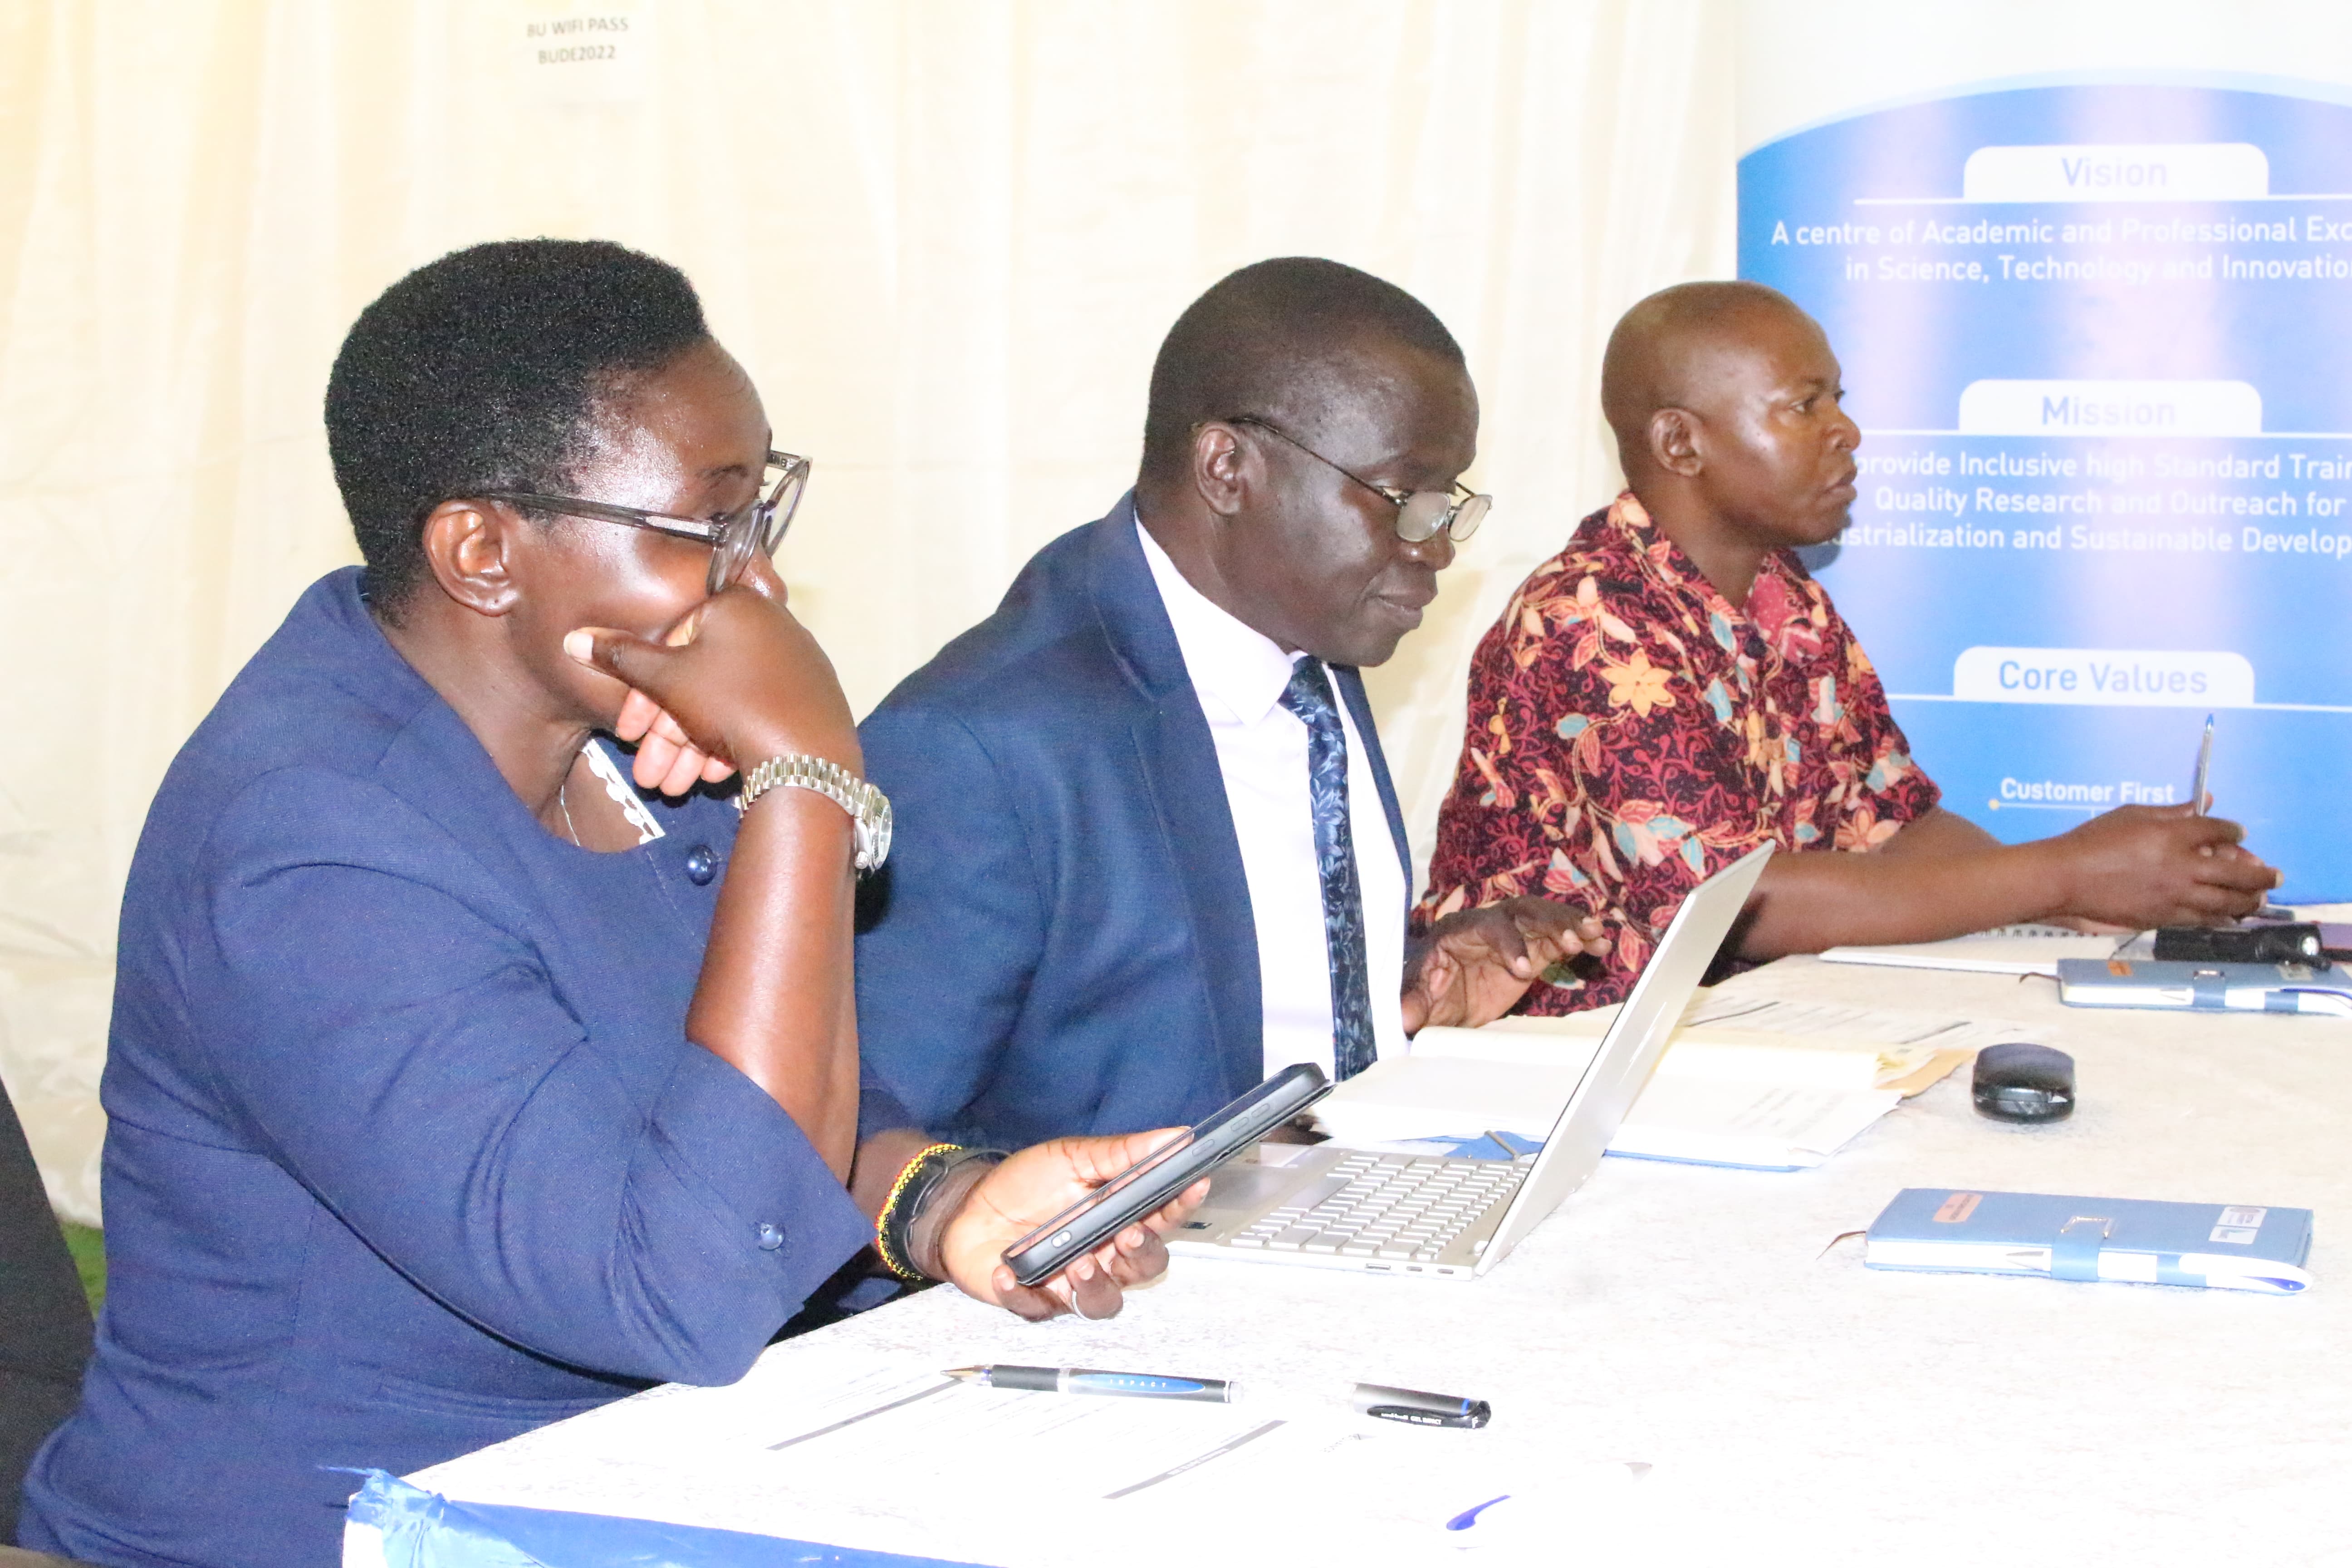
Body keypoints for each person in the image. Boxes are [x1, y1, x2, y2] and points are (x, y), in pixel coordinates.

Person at [20, 240, 1197, 1568]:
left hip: (624, 1484)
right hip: (329, 1529)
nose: (761, 587)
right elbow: (681, 1286)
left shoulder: (618, 738)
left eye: (766, 515)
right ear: (483, 552)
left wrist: (943, 1203)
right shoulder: (305, 849)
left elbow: (764, 1112)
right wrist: (806, 786)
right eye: (713, 527)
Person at [854, 257, 1603, 1151]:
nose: (1436, 547)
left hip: (1344, 1208)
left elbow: (1170, 987)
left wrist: (1395, 987)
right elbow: (866, 1140)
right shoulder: (981, 744)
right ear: (1227, 468)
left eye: (1450, 505)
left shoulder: (1306, 645)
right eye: (1407, 501)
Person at [1418, 280, 2280, 1012]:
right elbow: (1741, 905)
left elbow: (1897, 823)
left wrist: (2096, 903)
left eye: (1838, 399)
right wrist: (2064, 874)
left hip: (1760, 1029)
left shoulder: (1788, 598)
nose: (1847, 432)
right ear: (1682, 442)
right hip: (1566, 1057)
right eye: (1804, 405)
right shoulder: (1589, 619)